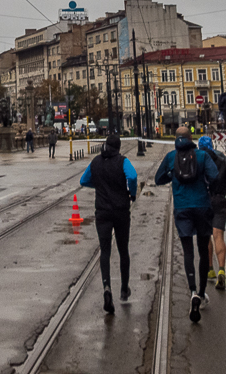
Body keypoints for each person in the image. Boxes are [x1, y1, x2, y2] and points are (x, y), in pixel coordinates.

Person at [155, 126, 219, 323]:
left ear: (175, 138)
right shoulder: (201, 156)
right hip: (202, 206)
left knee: (187, 251)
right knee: (202, 250)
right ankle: (200, 292)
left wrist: (172, 175)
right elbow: (215, 176)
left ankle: (191, 291)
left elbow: (158, 179)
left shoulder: (170, 156)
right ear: (191, 138)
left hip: (182, 207)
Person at [80, 134, 138, 315]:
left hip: (102, 212)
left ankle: (106, 287)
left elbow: (83, 180)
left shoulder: (96, 162)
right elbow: (133, 176)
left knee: (105, 251)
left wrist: (98, 186)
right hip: (121, 211)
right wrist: (132, 193)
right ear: (119, 147)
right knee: (123, 249)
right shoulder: (123, 161)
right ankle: (124, 289)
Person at [198, 136, 226, 290]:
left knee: (206, 236)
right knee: (218, 236)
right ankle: (221, 269)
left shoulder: (198, 159)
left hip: (203, 201)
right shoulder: (222, 159)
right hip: (220, 200)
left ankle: (210, 270)